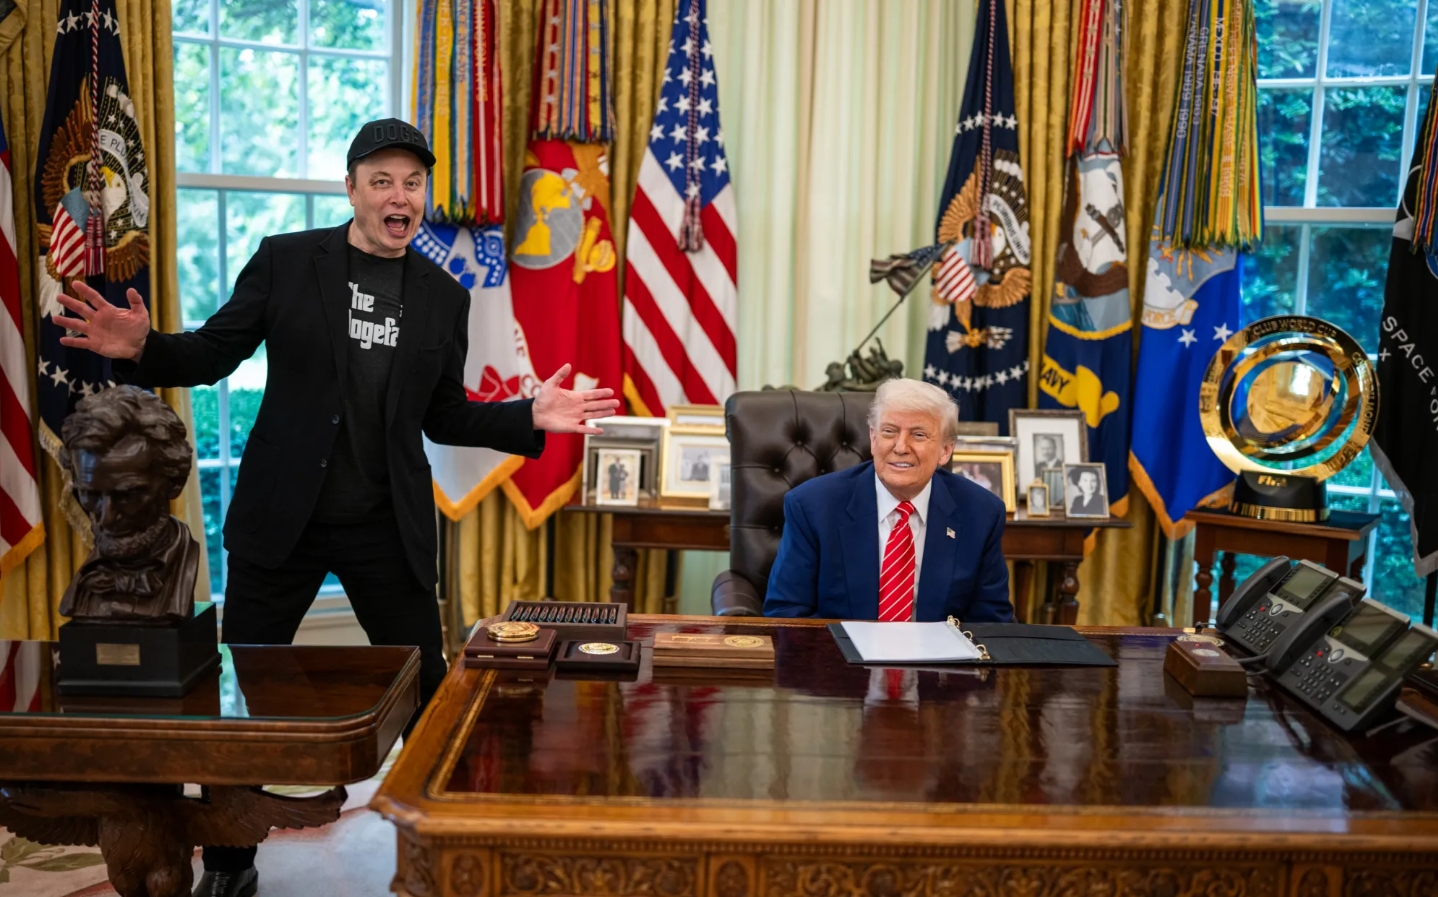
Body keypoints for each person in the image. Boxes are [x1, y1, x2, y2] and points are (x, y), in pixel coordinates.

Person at [52, 118, 619, 897]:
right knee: (244, 699)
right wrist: (145, 347)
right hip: (282, 516)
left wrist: (528, 414)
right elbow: (214, 353)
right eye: (381, 180)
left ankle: (452, 846)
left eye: (412, 182)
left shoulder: (443, 297)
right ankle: (230, 864)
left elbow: (444, 414)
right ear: (351, 189)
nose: (399, 195)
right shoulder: (287, 261)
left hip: (384, 524)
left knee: (427, 689)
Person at [762, 378, 1012, 622]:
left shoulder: (981, 513)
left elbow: (991, 623)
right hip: (840, 649)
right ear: (873, 438)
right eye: (889, 431)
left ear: (945, 450)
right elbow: (786, 613)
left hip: (939, 651)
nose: (901, 447)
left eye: (919, 435)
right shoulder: (813, 506)